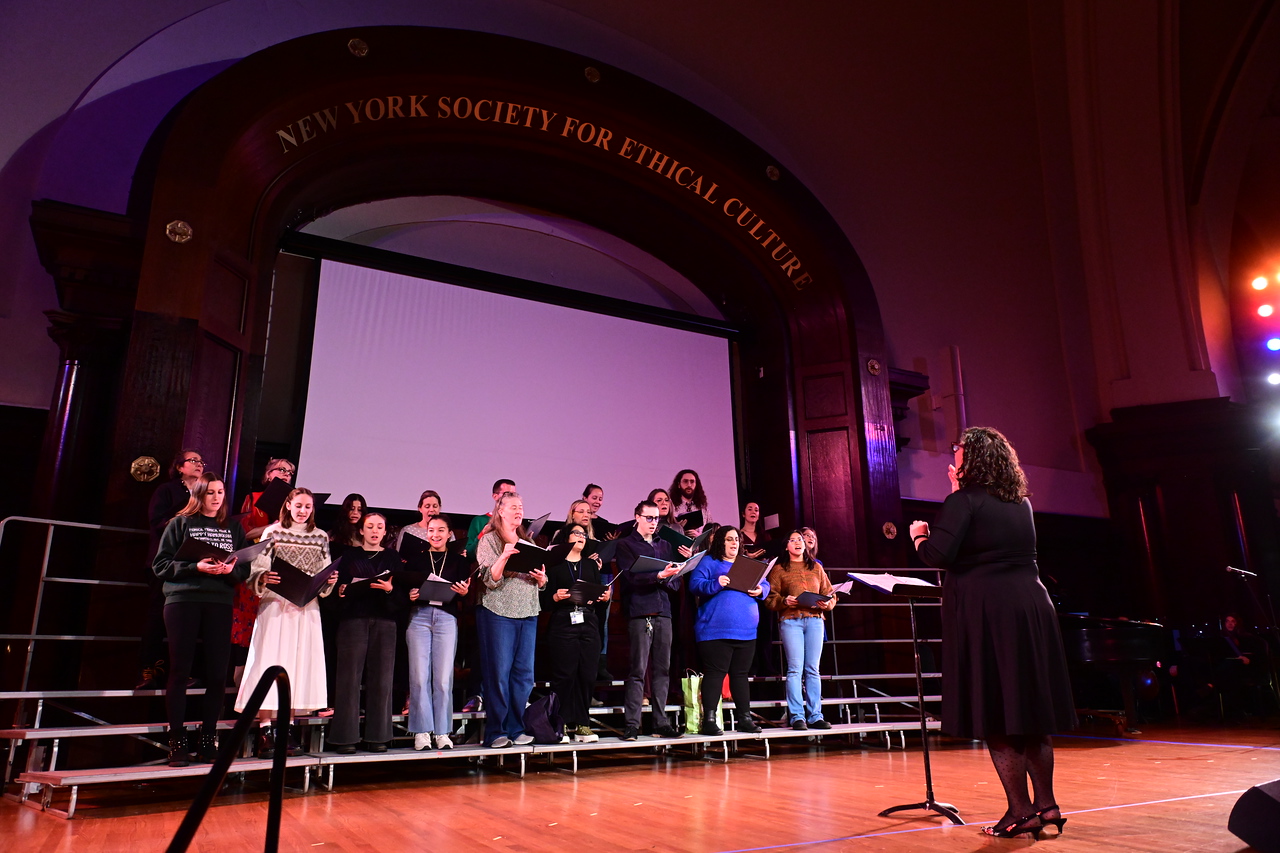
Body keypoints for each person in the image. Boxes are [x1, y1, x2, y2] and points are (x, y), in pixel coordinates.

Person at [910, 427, 1076, 839]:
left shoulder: (962, 501)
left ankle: (1019, 813)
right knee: (1031, 712)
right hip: (1030, 608)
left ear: (974, 459)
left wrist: (918, 537)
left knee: (999, 713)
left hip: (990, 613)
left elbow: (939, 555)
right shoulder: (1019, 502)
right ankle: (1047, 806)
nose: (955, 457)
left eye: (959, 452)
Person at [152, 472, 250, 765]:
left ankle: (208, 741)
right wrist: (196, 567)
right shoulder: (180, 524)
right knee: (180, 672)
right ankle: (177, 743)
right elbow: (161, 565)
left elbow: (243, 571)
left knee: (218, 674)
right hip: (183, 600)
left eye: (221, 492)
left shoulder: (233, 528)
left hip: (219, 602)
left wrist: (228, 571)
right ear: (199, 495)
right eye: (211, 493)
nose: (217, 498)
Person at [236, 487, 337, 758]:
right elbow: (257, 570)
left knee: (296, 667)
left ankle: (286, 728)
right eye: (299, 505)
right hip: (276, 606)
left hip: (305, 609)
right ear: (289, 505)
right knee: (269, 664)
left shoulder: (320, 537)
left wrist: (328, 581)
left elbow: (324, 570)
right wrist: (263, 578)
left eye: (308, 506)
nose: (303, 510)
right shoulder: (273, 532)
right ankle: (266, 730)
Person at [329, 512, 405, 753]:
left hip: (385, 621)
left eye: (379, 527)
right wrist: (341, 590)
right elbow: (337, 587)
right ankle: (345, 738)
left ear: (385, 532)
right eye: (369, 526)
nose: (374, 531)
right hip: (354, 620)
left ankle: (378, 737)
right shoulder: (349, 556)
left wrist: (391, 589)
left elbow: (403, 596)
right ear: (361, 530)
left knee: (382, 679)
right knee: (349, 679)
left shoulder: (393, 558)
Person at [474, 491, 545, 747]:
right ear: (500, 511)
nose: (519, 510)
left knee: (524, 675)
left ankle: (516, 727)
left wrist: (542, 579)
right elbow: (489, 580)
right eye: (513, 506)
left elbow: (540, 581)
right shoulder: (490, 540)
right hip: (498, 612)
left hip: (528, 611)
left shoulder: (530, 542)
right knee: (499, 673)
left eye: (521, 506)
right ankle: (496, 731)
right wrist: (505, 555)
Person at [615, 500, 688, 740]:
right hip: (639, 611)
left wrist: (675, 572)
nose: (653, 523)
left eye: (656, 519)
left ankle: (660, 721)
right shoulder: (626, 544)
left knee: (663, 669)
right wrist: (657, 575)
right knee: (637, 669)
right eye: (649, 518)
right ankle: (632, 724)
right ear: (637, 517)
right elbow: (629, 579)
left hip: (663, 611)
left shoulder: (665, 545)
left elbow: (676, 583)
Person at [687, 526, 768, 735]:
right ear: (720, 541)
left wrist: (761, 590)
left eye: (737, 539)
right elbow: (694, 585)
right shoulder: (709, 561)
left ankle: (745, 718)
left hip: (746, 630)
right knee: (715, 674)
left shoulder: (747, 565)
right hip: (715, 629)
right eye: (729, 539)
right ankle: (710, 720)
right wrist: (716, 582)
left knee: (740, 675)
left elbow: (765, 584)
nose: (734, 543)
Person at [138, 448, 205, 689]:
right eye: (193, 460)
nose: (199, 464)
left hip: (191, 565)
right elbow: (157, 524)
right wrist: (186, 511)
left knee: (186, 621)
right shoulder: (167, 490)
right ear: (179, 466)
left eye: (201, 461)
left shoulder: (206, 494)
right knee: (158, 617)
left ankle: (181, 673)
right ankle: (150, 673)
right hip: (165, 563)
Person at [403, 515, 470, 750]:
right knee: (420, 677)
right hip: (419, 617)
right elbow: (404, 590)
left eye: (441, 530)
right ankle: (421, 731)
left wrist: (463, 593)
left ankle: (442, 732)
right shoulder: (415, 560)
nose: (435, 535)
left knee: (442, 679)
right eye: (431, 530)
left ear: (449, 534)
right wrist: (409, 595)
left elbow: (467, 594)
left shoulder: (459, 562)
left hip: (446, 618)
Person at [541, 522, 610, 742]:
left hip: (588, 621)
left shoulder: (590, 566)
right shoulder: (554, 567)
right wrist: (555, 597)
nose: (581, 536)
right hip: (563, 621)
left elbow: (599, 601)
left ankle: (583, 725)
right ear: (566, 538)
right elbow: (544, 602)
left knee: (587, 674)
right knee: (564, 675)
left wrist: (604, 599)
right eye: (576, 533)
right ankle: (559, 724)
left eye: (583, 533)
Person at [232, 458, 295, 683]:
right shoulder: (253, 499)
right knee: (247, 627)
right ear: (268, 474)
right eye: (281, 470)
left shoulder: (294, 505)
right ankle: (241, 682)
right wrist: (274, 527)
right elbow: (243, 535)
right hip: (255, 569)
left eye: (290, 472)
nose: (287, 474)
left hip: (282, 572)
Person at [765, 530, 836, 729]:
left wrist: (826, 604)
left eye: (801, 540)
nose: (798, 542)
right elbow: (770, 599)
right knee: (795, 669)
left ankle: (816, 715)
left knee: (813, 669)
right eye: (793, 540)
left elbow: (830, 594)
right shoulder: (779, 569)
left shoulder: (816, 568)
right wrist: (783, 601)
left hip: (815, 621)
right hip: (791, 621)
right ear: (786, 545)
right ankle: (797, 716)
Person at [466, 478, 515, 558]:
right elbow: (469, 554)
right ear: (495, 496)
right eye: (507, 494)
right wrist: (481, 535)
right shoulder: (479, 521)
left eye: (513, 495)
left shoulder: (515, 522)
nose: (511, 498)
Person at [669, 469, 711, 534]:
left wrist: (698, 536)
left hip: (699, 543)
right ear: (678, 484)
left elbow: (710, 532)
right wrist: (677, 528)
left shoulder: (703, 508)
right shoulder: (671, 505)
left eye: (692, 482)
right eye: (685, 481)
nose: (689, 485)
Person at [328, 493, 367, 560]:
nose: (355, 512)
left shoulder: (367, 534)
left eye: (359, 510)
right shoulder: (334, 534)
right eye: (352, 509)